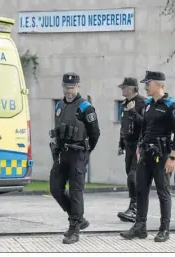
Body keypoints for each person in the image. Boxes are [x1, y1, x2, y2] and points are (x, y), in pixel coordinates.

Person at [120, 71, 175, 243]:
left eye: (148, 83)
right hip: (145, 154)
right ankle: (140, 227)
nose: (145, 87)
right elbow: (144, 128)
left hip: (162, 155)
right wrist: (140, 146)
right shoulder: (147, 104)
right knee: (141, 190)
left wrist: (172, 157)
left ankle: (164, 229)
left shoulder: (171, 105)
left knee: (163, 192)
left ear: (159, 84)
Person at [49, 72, 100, 244]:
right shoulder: (59, 105)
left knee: (75, 192)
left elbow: (95, 133)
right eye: (66, 87)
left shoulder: (86, 108)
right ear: (62, 86)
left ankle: (74, 229)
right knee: (55, 189)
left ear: (78, 86)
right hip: (62, 153)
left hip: (78, 153)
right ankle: (78, 218)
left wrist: (86, 152)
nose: (69, 90)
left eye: (72, 87)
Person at [117, 78, 146, 222]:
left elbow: (145, 124)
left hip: (139, 146)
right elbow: (124, 125)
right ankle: (133, 207)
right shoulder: (124, 104)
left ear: (132, 88)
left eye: (124, 87)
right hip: (128, 146)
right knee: (130, 176)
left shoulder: (142, 103)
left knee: (133, 177)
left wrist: (133, 111)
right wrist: (121, 143)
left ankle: (134, 208)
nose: (122, 90)